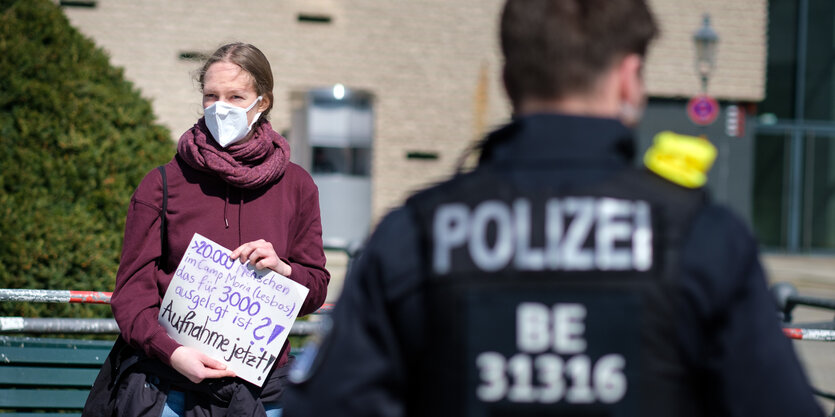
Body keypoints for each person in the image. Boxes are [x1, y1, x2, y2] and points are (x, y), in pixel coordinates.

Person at [283, 1, 823, 416]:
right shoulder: (703, 236)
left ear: (507, 82)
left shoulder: (416, 234)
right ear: (630, 79)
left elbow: (329, 403)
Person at [83, 42, 330, 417]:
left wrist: (284, 271)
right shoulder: (162, 184)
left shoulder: (297, 186)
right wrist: (174, 353)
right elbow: (131, 296)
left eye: (236, 96)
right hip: (169, 391)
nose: (221, 107)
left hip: (263, 394)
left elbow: (316, 288)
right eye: (211, 96)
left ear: (262, 102)